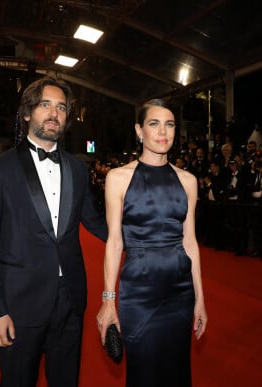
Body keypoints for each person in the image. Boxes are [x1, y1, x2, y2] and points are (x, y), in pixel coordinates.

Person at [0, 76, 107, 387]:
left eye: (61, 107)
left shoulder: (76, 168)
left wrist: (146, 236)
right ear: (28, 113)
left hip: (70, 299)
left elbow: (97, 222)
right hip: (18, 303)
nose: (54, 113)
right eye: (45, 105)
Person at [96, 99, 207, 387]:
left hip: (179, 293)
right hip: (139, 292)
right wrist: (108, 302)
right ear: (139, 130)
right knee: (143, 373)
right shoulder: (118, 178)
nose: (163, 131)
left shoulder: (188, 181)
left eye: (169, 124)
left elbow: (190, 242)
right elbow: (115, 243)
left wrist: (200, 300)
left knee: (177, 371)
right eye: (154, 123)